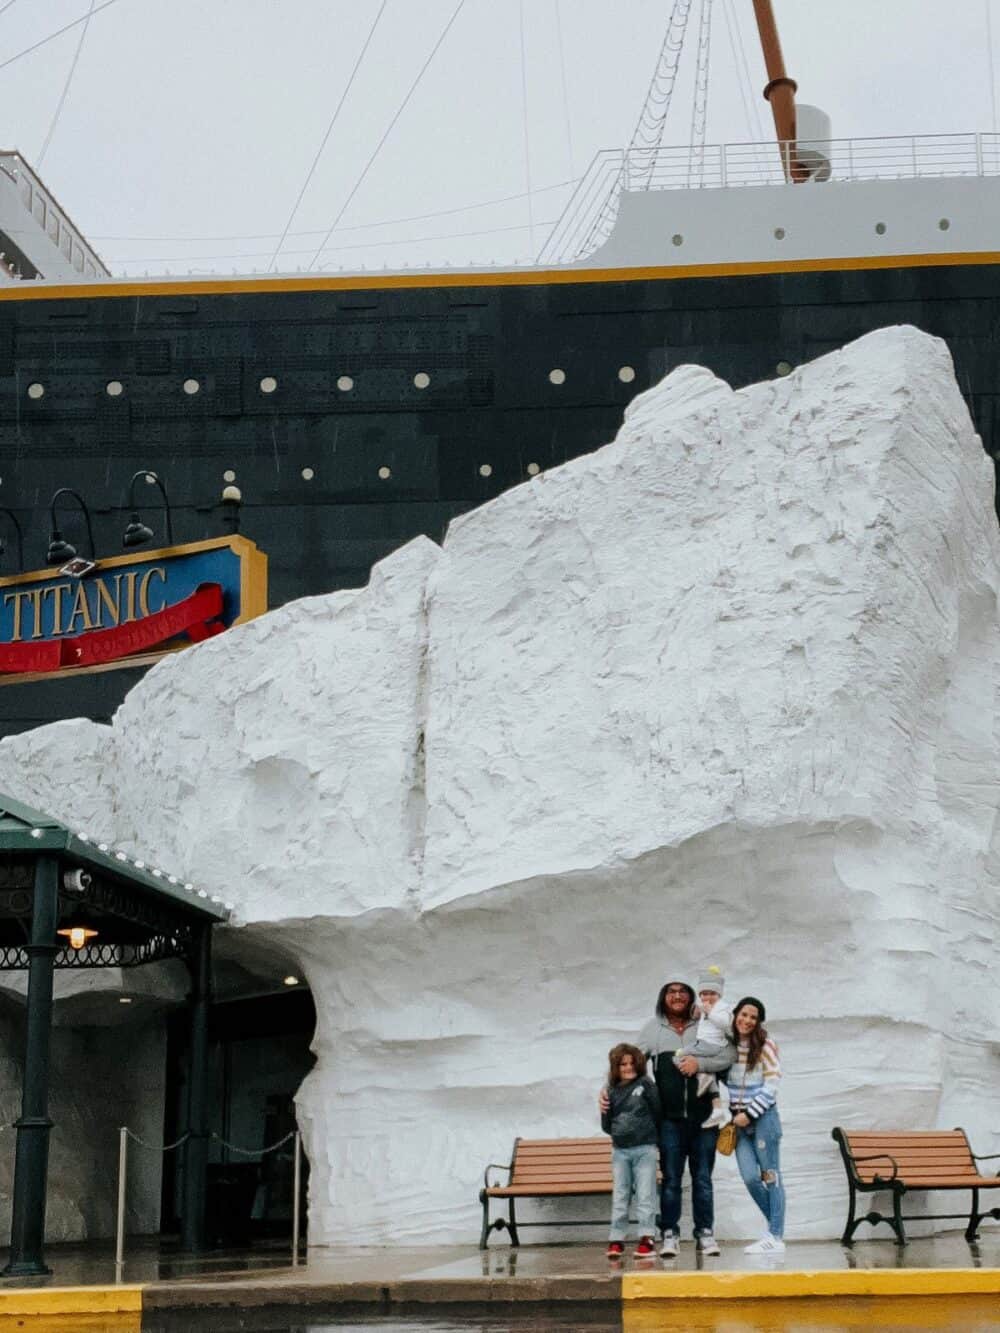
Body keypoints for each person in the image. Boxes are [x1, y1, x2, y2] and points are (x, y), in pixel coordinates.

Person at [621, 978, 736, 1258]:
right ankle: (669, 1233)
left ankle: (705, 1234)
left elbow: (730, 1054)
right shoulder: (653, 1030)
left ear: (691, 997)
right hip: (669, 1120)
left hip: (704, 1119)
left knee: (703, 1179)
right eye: (671, 992)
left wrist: (701, 1064)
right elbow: (631, 1064)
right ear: (663, 998)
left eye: (683, 991)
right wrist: (610, 1090)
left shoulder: (705, 1024)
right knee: (671, 1179)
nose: (677, 996)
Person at [724, 996, 786, 1255]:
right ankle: (775, 1230)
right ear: (735, 1014)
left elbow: (772, 1084)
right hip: (737, 1122)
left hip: (762, 1119)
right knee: (750, 1177)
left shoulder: (766, 1045)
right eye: (744, 1014)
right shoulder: (726, 1046)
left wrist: (750, 1113)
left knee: (771, 1175)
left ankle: (775, 1235)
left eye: (753, 1017)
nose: (747, 1020)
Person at [600, 1043, 662, 1259]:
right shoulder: (610, 1090)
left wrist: (651, 1137)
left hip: (645, 1149)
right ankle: (616, 1239)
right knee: (621, 1194)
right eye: (622, 1064)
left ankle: (647, 1237)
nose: (627, 1067)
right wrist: (619, 1132)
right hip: (620, 1151)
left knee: (645, 1194)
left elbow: (657, 1112)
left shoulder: (645, 1084)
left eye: (631, 1063)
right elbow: (606, 1124)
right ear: (615, 1067)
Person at [672, 966, 733, 1129]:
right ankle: (718, 1107)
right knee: (706, 1071)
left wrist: (710, 1012)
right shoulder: (705, 1007)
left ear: (719, 994)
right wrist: (698, 1012)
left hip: (711, 1045)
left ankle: (704, 1079)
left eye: (712, 993)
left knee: (678, 1056)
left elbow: (725, 1023)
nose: (708, 997)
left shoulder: (722, 1007)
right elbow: (698, 1017)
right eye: (704, 993)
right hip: (703, 1043)